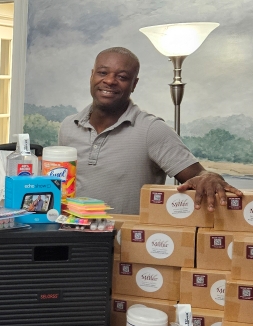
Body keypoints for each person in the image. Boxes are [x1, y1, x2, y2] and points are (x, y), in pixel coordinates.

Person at [58, 47, 241, 215]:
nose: (110, 81)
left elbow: (199, 175)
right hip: (73, 241)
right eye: (103, 73)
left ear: (134, 84)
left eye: (122, 77)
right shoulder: (68, 126)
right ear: (92, 76)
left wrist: (209, 177)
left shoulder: (152, 129)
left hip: (127, 243)